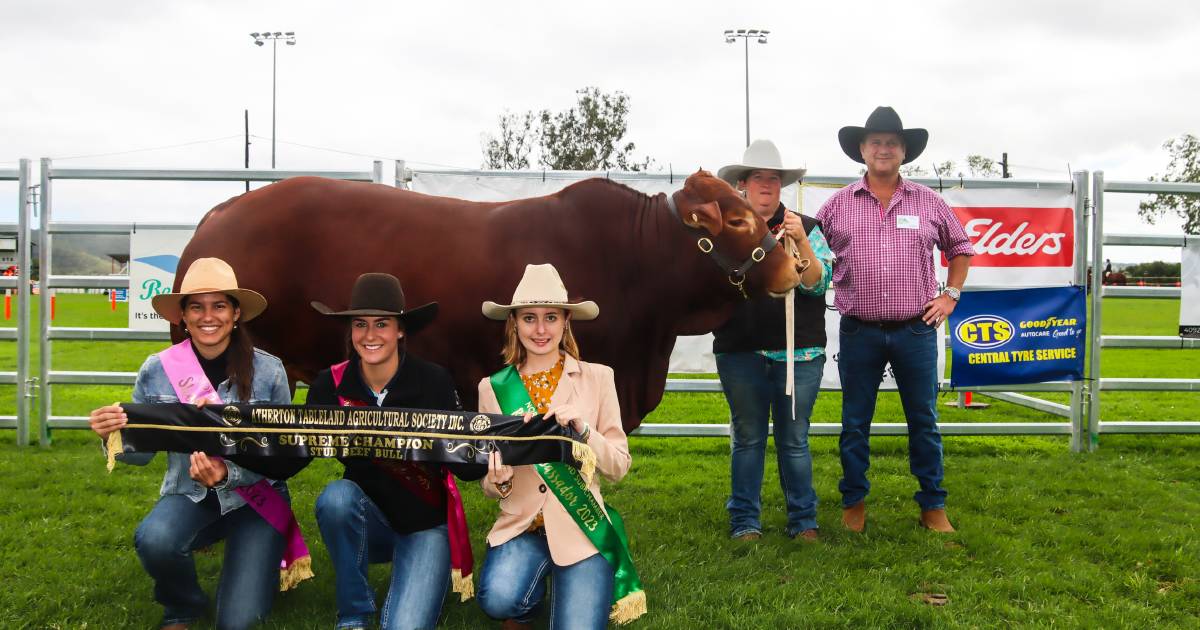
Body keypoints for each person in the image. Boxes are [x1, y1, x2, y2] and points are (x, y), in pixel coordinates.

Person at [87, 257, 295, 630]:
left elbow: (280, 451)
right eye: (196, 306)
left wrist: (228, 472)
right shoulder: (158, 369)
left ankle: (260, 558)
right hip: (189, 493)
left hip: (256, 498)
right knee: (155, 540)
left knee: (239, 621)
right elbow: (142, 456)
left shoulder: (268, 370)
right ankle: (183, 605)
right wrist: (113, 436)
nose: (207, 316)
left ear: (235, 313)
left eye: (219, 305)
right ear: (182, 316)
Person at [816, 106, 974, 533]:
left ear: (904, 152)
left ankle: (933, 506)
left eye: (891, 143)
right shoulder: (836, 206)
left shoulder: (928, 202)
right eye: (875, 142)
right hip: (859, 331)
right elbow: (811, 254)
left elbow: (960, 248)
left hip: (916, 329)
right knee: (854, 422)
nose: (883, 149)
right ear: (862, 151)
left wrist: (950, 296)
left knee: (923, 420)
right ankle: (854, 503)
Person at [306, 272, 485, 630]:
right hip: (367, 522)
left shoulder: (433, 381)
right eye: (360, 325)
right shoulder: (331, 384)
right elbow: (292, 454)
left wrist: (491, 451)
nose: (370, 335)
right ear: (351, 331)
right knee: (335, 498)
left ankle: (422, 573)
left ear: (400, 330)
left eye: (382, 324)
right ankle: (354, 614)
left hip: (424, 525)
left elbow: (467, 466)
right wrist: (227, 444)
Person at [476, 263, 642, 629]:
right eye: (529, 318)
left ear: (566, 321)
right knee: (499, 598)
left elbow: (618, 466)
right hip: (521, 526)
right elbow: (488, 486)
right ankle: (526, 601)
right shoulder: (492, 387)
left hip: (582, 526)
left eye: (550, 317)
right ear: (514, 323)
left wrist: (585, 433)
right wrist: (498, 480)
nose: (540, 329)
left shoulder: (599, 378)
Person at [712, 140, 832, 542]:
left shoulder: (807, 227)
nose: (767, 185)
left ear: (781, 185)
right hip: (740, 348)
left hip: (800, 351)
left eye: (774, 179)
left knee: (794, 439)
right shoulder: (726, 232)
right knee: (747, 437)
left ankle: (803, 520)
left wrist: (799, 242)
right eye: (758, 178)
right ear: (743, 185)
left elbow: (818, 285)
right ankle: (745, 522)